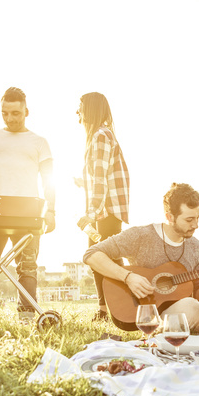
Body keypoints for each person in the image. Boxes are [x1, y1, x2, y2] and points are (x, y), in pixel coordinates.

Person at [83, 183, 199, 333]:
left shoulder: (196, 247)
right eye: (189, 220)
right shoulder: (141, 236)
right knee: (193, 309)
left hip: (189, 311)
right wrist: (128, 277)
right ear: (169, 217)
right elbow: (91, 254)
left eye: (198, 217)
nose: (196, 225)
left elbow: (197, 294)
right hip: (152, 315)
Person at [0, 87, 55, 315]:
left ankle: (27, 314)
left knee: (27, 265)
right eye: (5, 113)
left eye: (15, 113)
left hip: (28, 212)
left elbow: (49, 179)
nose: (10, 118)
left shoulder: (39, 142)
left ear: (26, 111)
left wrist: (51, 211)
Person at [75, 93, 130, 321]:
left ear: (90, 110)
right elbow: (101, 176)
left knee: (100, 259)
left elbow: (100, 179)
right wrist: (83, 183)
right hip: (106, 208)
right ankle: (110, 310)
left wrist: (90, 213)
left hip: (105, 210)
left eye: (80, 108)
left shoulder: (100, 136)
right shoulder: (102, 135)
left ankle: (115, 310)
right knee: (104, 260)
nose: (77, 113)